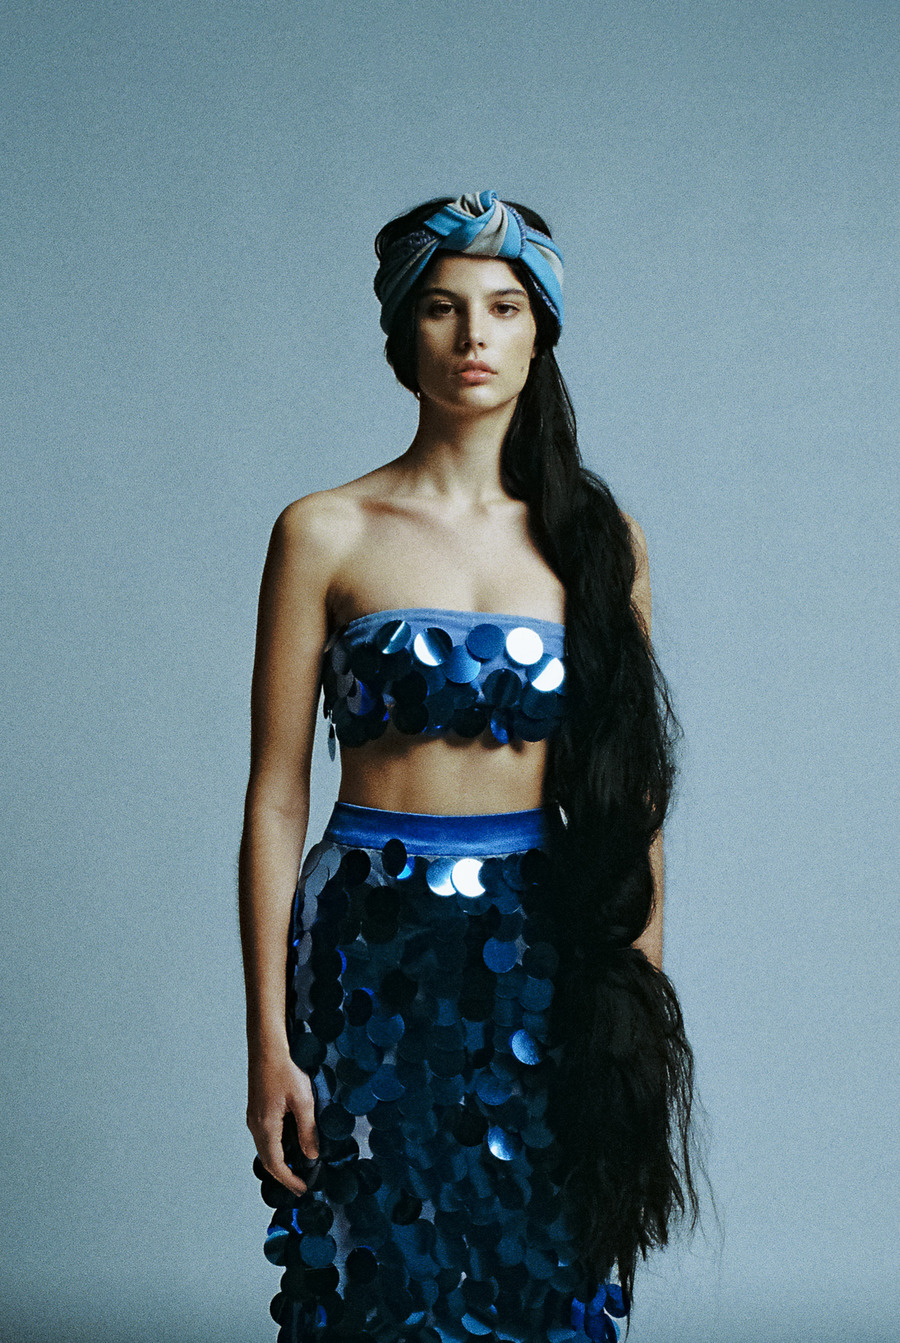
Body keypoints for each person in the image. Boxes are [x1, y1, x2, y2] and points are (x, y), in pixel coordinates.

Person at [239, 190, 698, 1343]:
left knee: (542, 1264)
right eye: (442, 308)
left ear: (542, 331)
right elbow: (277, 794)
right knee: (373, 1262)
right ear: (406, 334)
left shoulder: (601, 542)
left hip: (549, 945)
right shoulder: (323, 530)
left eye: (503, 307)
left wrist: (639, 1017)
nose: (473, 335)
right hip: (366, 952)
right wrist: (268, 1043)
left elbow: (632, 801)